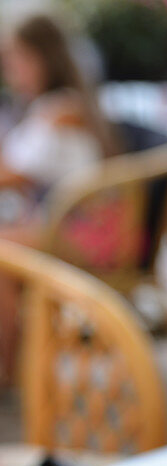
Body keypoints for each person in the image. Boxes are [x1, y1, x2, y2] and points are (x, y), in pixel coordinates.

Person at [0, 12, 119, 381]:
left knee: (2, 255)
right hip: (70, 227)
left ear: (42, 58)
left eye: (17, 59)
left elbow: (11, 172)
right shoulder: (57, 107)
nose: (10, 70)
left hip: (92, 236)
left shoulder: (60, 111)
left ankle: (7, 371)